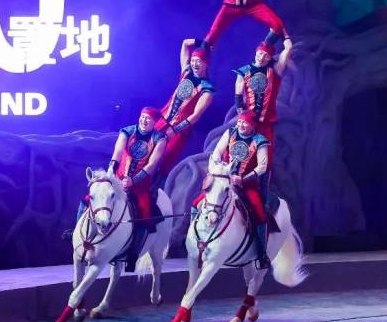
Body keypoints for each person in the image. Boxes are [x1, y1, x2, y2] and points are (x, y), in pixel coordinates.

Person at [77, 107, 166, 272]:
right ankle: (78, 235)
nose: (144, 120)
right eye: (142, 117)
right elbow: (118, 151)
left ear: (155, 122)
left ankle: (133, 255)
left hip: (140, 185)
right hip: (118, 179)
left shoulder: (159, 138)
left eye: (148, 119)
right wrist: (111, 170)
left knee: (144, 214)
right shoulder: (127, 131)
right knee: (86, 199)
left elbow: (152, 164)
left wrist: (133, 180)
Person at [209, 111, 272, 269]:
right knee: (198, 203)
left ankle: (261, 254)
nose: (241, 125)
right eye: (239, 122)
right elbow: (217, 152)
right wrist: (219, 167)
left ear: (252, 125)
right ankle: (197, 242)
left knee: (260, 214)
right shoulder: (230, 132)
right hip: (225, 179)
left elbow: (262, 167)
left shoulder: (260, 141)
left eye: (245, 123)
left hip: (246, 184)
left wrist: (243, 179)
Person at [156, 38, 215, 178]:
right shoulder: (186, 72)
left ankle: (157, 189)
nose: (194, 63)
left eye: (198, 61)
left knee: (163, 163)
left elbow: (195, 116)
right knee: (145, 154)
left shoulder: (207, 89)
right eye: (193, 60)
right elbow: (185, 43)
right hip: (162, 121)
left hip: (179, 131)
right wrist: (203, 43)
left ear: (206, 64)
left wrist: (174, 130)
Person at [234, 38, 292, 166]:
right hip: (248, 122)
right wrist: (242, 117)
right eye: (260, 53)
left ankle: (263, 179)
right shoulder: (244, 71)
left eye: (266, 55)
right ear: (255, 53)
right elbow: (238, 97)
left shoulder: (275, 70)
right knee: (241, 156)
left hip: (266, 123)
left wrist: (284, 33)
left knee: (265, 159)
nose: (261, 57)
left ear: (270, 58)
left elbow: (288, 48)